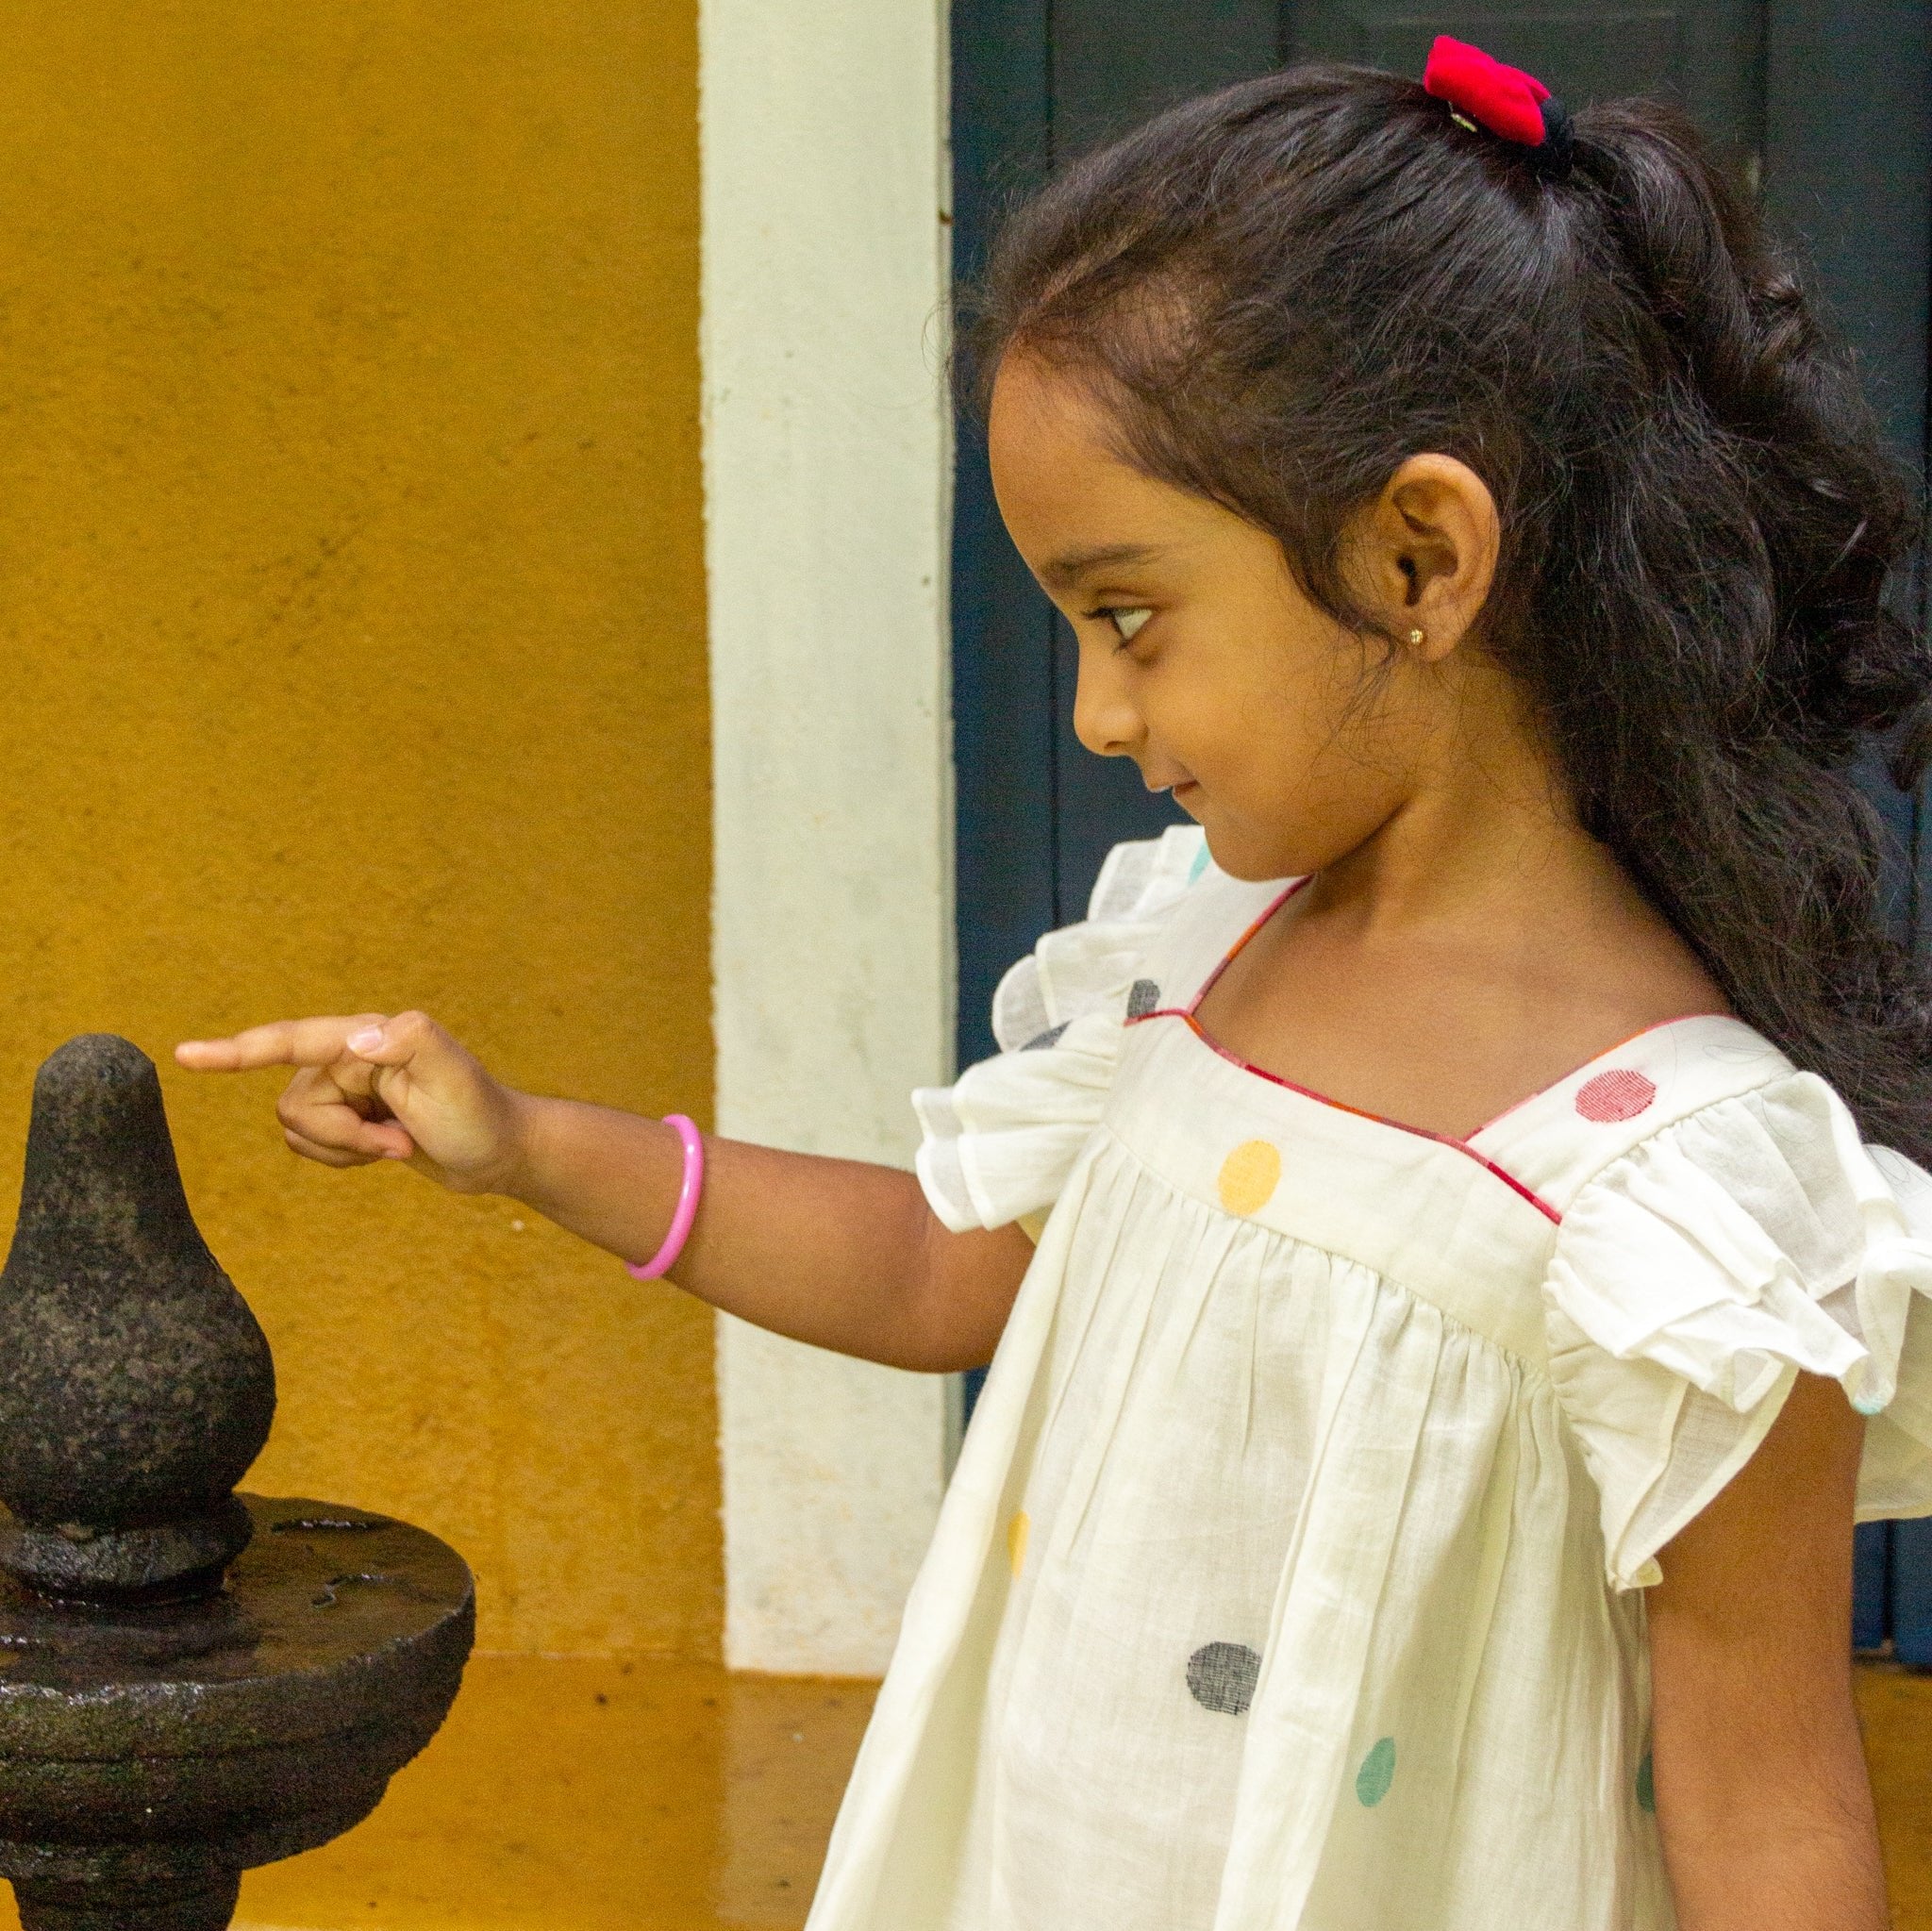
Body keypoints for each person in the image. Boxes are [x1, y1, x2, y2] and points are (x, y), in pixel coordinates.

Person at [177, 39, 1932, 1931]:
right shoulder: (1202, 953)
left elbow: (1769, 1812)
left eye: (1130, 617)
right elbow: (939, 1271)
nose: (1096, 712)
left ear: (1418, 557)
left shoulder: (1684, 1207)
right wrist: (525, 1144)